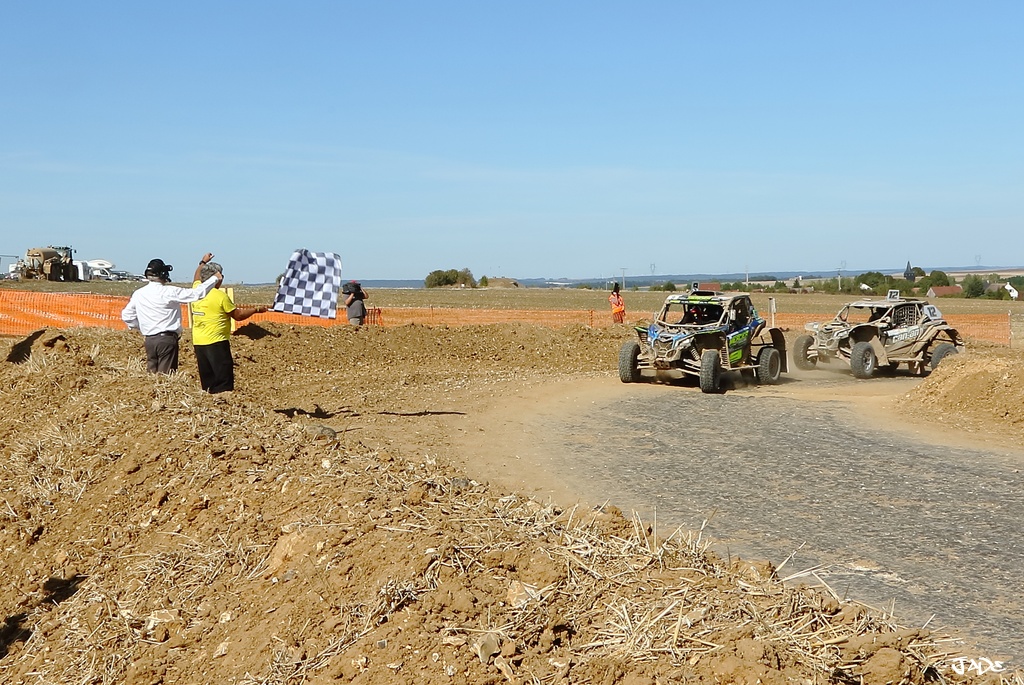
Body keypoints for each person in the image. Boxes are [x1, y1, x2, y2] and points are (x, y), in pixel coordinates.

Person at [121, 256, 221, 374]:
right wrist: (214, 278)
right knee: (165, 377)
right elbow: (196, 294)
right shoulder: (169, 292)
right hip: (166, 340)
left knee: (151, 376)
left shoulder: (139, 293)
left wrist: (141, 326)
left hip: (149, 340)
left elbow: (127, 315)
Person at [190, 253, 268, 393]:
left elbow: (196, 275)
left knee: (207, 378)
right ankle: (224, 402)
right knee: (223, 378)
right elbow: (237, 315)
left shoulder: (196, 290)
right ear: (216, 278)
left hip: (199, 342)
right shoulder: (220, 296)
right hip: (217, 342)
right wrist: (256, 309)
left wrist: (203, 262)